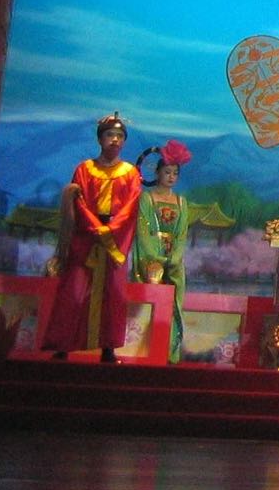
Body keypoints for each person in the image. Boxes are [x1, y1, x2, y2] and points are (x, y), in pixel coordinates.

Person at [42, 114, 143, 363]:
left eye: (119, 136)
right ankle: (63, 345)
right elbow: (78, 202)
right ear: (100, 139)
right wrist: (96, 227)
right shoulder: (84, 169)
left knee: (113, 294)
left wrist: (110, 231)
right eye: (110, 135)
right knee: (74, 291)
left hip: (114, 240)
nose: (115, 140)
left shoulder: (130, 173)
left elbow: (130, 208)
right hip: (86, 237)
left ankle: (108, 347)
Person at [130, 140, 194, 362]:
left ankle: (169, 352)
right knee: (150, 298)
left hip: (173, 260)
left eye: (175, 173)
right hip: (151, 259)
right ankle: (144, 350)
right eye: (167, 172)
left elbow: (181, 233)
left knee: (173, 302)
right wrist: (154, 258)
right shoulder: (146, 198)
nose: (171, 177)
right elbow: (143, 230)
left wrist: (174, 257)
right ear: (157, 173)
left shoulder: (181, 202)